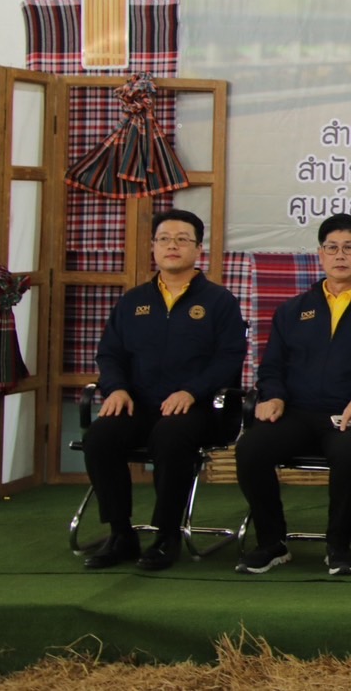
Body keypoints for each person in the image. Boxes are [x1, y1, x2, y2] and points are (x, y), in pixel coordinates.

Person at [233, 214, 351, 576]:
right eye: (332, 248)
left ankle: (339, 545)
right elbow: (271, 367)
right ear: (320, 254)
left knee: (350, 453)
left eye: (349, 247)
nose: (340, 255)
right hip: (296, 414)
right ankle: (272, 542)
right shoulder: (292, 310)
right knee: (250, 448)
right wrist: (274, 396)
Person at [79, 209, 247, 571]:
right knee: (100, 438)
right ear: (153, 247)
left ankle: (166, 535)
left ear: (198, 249)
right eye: (165, 239)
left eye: (182, 239)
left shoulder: (219, 301)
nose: (173, 246)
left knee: (171, 437)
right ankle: (121, 534)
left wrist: (192, 391)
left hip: (199, 409)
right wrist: (116, 389)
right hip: (139, 404)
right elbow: (110, 353)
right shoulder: (133, 301)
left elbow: (230, 358)